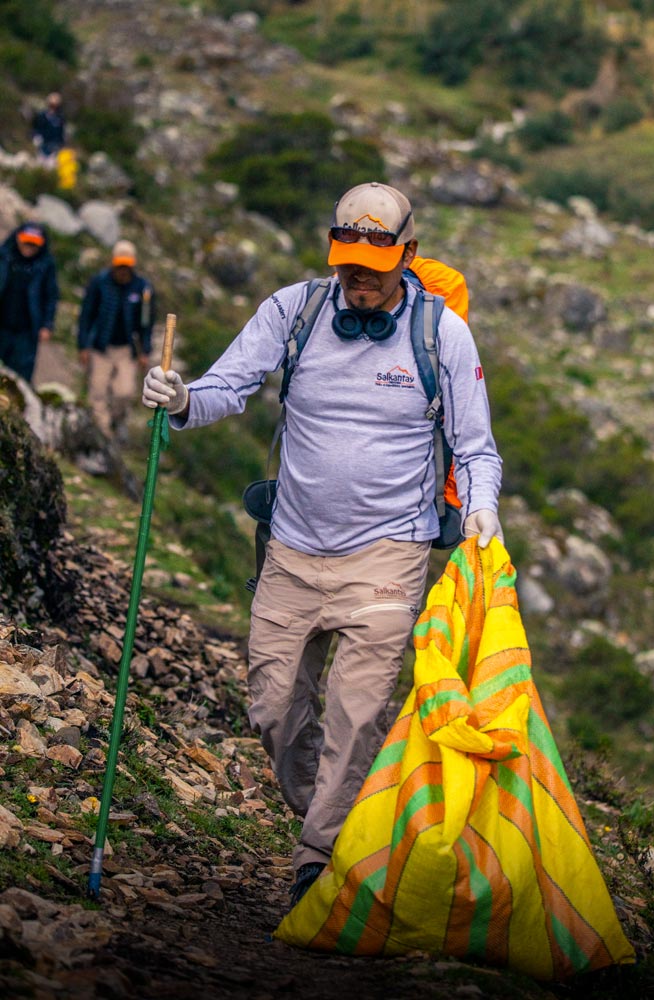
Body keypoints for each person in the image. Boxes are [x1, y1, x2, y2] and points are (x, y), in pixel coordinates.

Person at [141, 182, 503, 905]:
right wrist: (181, 399)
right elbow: (228, 387)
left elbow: (475, 447)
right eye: (347, 261)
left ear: (409, 255)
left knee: (358, 710)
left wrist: (482, 510)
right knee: (274, 710)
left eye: (374, 264)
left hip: (389, 553)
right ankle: (338, 820)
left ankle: (320, 858)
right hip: (293, 549)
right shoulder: (293, 309)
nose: (358, 277)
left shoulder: (442, 333)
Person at [78, 240, 156, 439]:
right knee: (98, 390)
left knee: (125, 391)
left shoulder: (143, 288)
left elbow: (147, 322)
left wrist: (145, 351)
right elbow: (87, 314)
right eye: (119, 265)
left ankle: (117, 420)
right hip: (100, 347)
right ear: (113, 263)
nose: (123, 269)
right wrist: (83, 346)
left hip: (126, 350)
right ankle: (103, 433)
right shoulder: (98, 283)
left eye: (126, 265)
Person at [0, 222, 59, 383]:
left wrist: (47, 324)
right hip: (2, 324)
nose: (29, 246)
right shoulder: (4, 256)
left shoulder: (46, 265)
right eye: (26, 241)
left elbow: (51, 295)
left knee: (20, 374)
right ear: (18, 239)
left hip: (26, 330)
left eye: (34, 244)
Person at [32, 92, 66, 162]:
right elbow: (35, 127)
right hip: (42, 145)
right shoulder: (41, 116)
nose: (53, 107)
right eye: (51, 104)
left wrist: (61, 144)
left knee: (51, 165)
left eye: (55, 105)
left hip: (54, 147)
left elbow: (61, 133)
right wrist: (36, 136)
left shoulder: (60, 118)